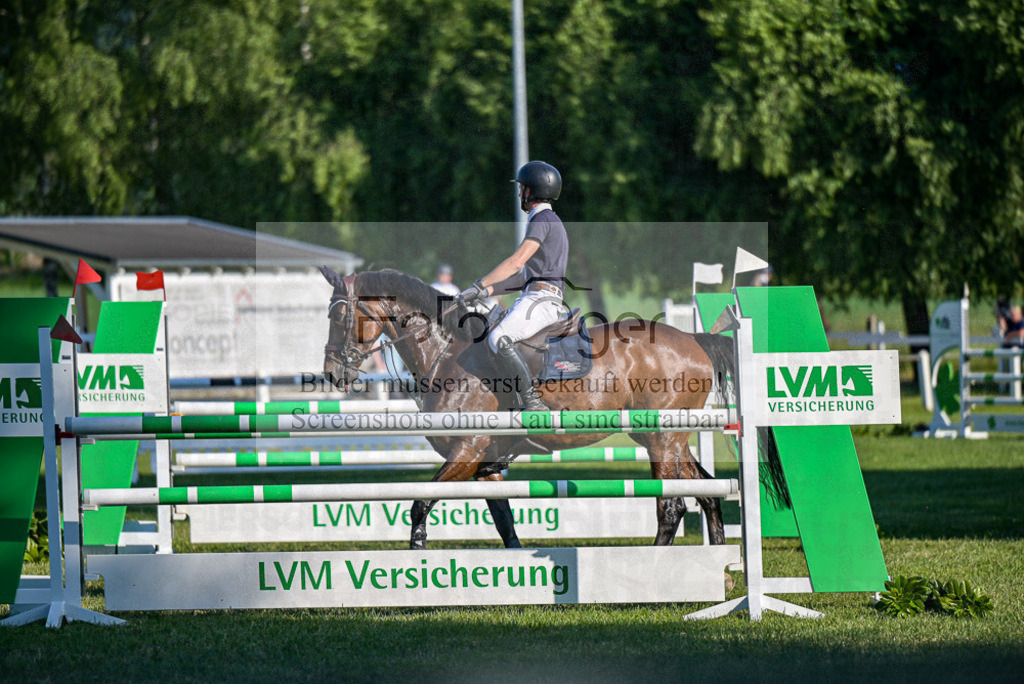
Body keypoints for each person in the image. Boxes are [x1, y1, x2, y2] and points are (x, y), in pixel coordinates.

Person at [459, 161, 568, 410]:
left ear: (530, 191)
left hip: (541, 301)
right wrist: (486, 292)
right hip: (536, 295)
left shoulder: (543, 219)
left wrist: (479, 284)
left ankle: (531, 400)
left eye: (521, 188)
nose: (520, 193)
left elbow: (516, 262)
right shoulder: (547, 219)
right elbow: (523, 279)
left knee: (498, 337)